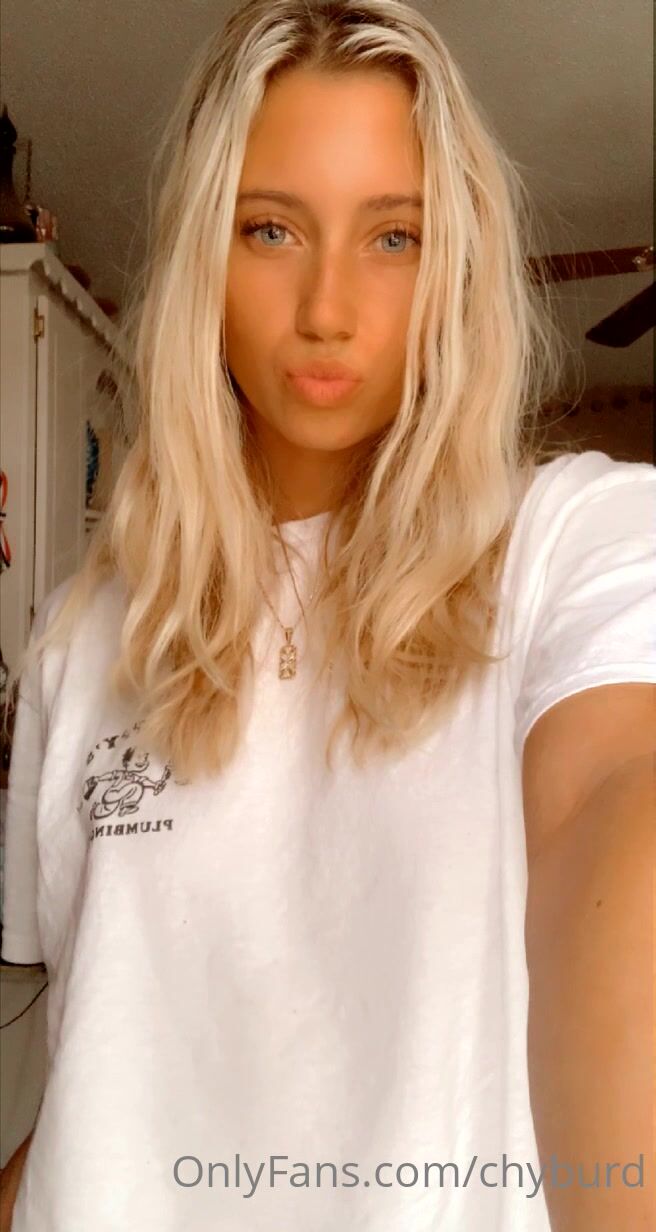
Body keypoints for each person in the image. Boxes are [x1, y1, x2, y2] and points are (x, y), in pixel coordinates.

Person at [1, 1, 654, 1229]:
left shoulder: (574, 546)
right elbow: (102, 1064)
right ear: (203, 254)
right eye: (270, 228)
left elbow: (616, 811)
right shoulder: (78, 639)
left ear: (454, 268)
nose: (326, 307)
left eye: (393, 236)